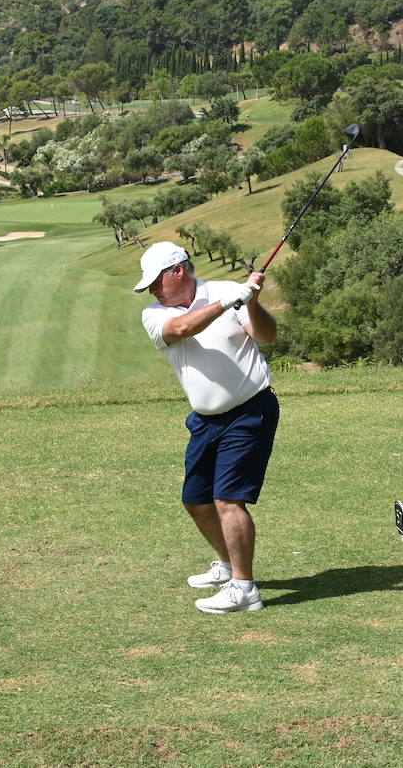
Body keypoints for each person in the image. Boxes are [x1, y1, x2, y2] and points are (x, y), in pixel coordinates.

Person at [134, 241, 279, 613]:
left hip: (250, 410)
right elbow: (181, 328)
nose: (151, 289)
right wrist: (230, 302)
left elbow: (267, 336)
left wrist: (252, 302)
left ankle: (245, 589)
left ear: (178, 271)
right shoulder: (154, 315)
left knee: (228, 499)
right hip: (205, 420)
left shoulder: (230, 292)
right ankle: (228, 565)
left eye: (155, 281)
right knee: (196, 500)